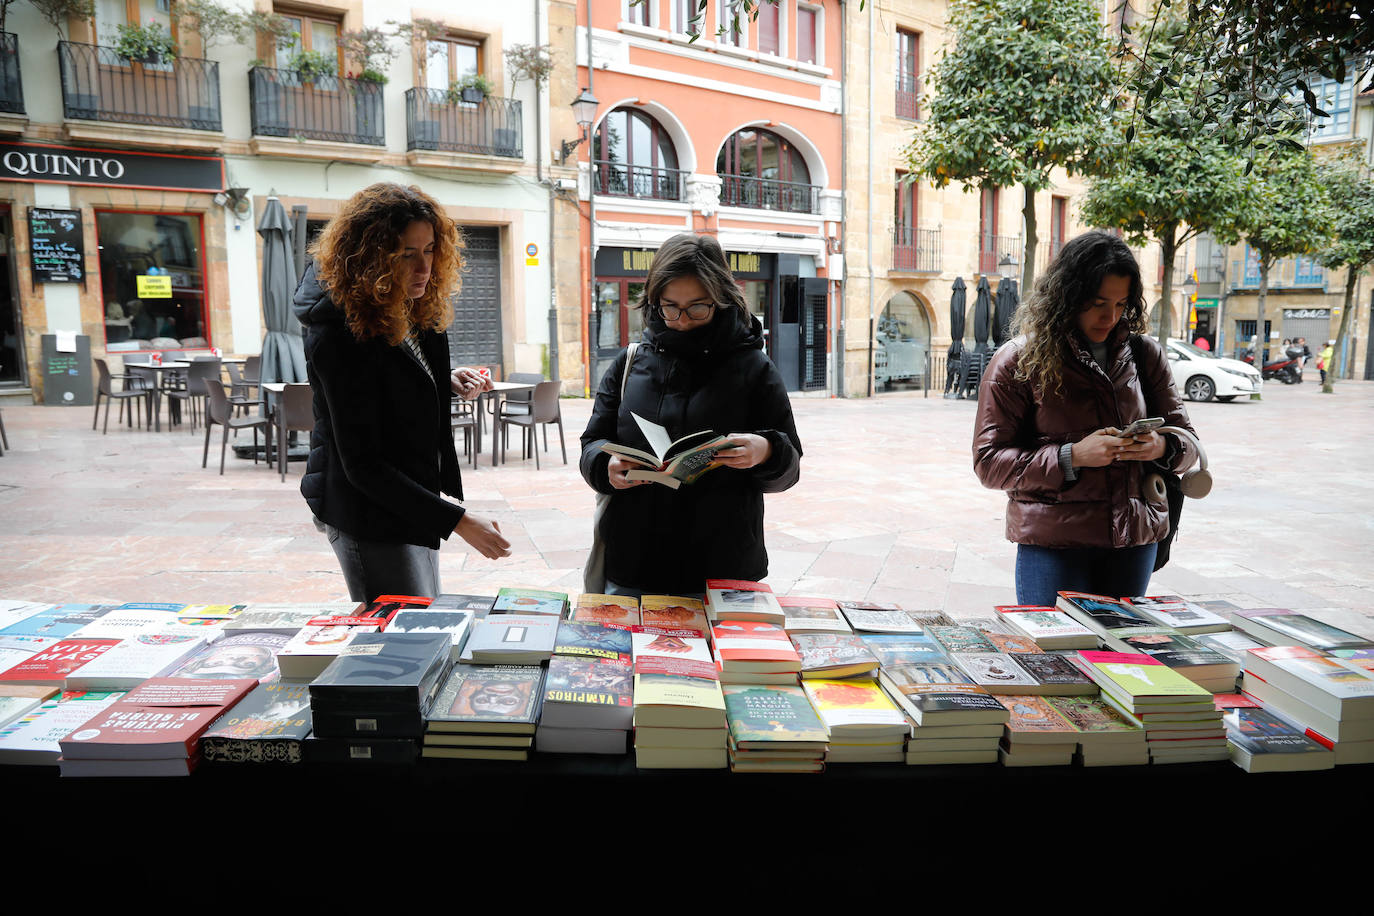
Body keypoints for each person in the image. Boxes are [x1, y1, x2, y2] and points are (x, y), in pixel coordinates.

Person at [294, 182, 510, 602]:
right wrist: (459, 521)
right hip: (367, 512)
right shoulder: (338, 333)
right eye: (406, 254)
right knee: (399, 641)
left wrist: (441, 379)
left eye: (429, 250)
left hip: (412, 500)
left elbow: (392, 378)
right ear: (370, 258)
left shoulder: (412, 302)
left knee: (422, 618)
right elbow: (363, 464)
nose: (423, 267)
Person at [972, 231, 1199, 606]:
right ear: (1068, 296)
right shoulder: (1016, 360)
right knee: (1054, 660)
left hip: (1134, 541)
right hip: (1053, 545)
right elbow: (989, 463)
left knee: (1119, 660)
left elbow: (1189, 444)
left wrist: (1161, 445)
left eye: (1121, 304)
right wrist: (1072, 456)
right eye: (1097, 303)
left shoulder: (1145, 354)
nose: (1110, 317)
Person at [579, 233, 802, 598]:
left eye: (697, 307)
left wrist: (764, 450)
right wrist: (604, 467)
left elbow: (790, 467)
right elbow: (593, 441)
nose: (681, 320)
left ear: (721, 299)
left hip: (721, 570)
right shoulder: (629, 362)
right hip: (635, 564)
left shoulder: (754, 367)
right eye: (670, 307)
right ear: (654, 301)